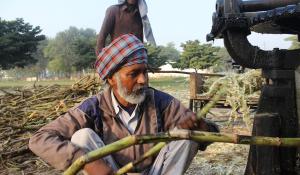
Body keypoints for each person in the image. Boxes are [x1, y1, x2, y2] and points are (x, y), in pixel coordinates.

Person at [29, 34, 218, 175]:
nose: (143, 80)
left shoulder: (162, 103)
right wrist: (86, 162)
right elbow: (39, 139)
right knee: (82, 136)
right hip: (111, 173)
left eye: (145, 72)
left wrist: (201, 128)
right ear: (111, 78)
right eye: (134, 73)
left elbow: (211, 135)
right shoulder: (93, 108)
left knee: (186, 138)